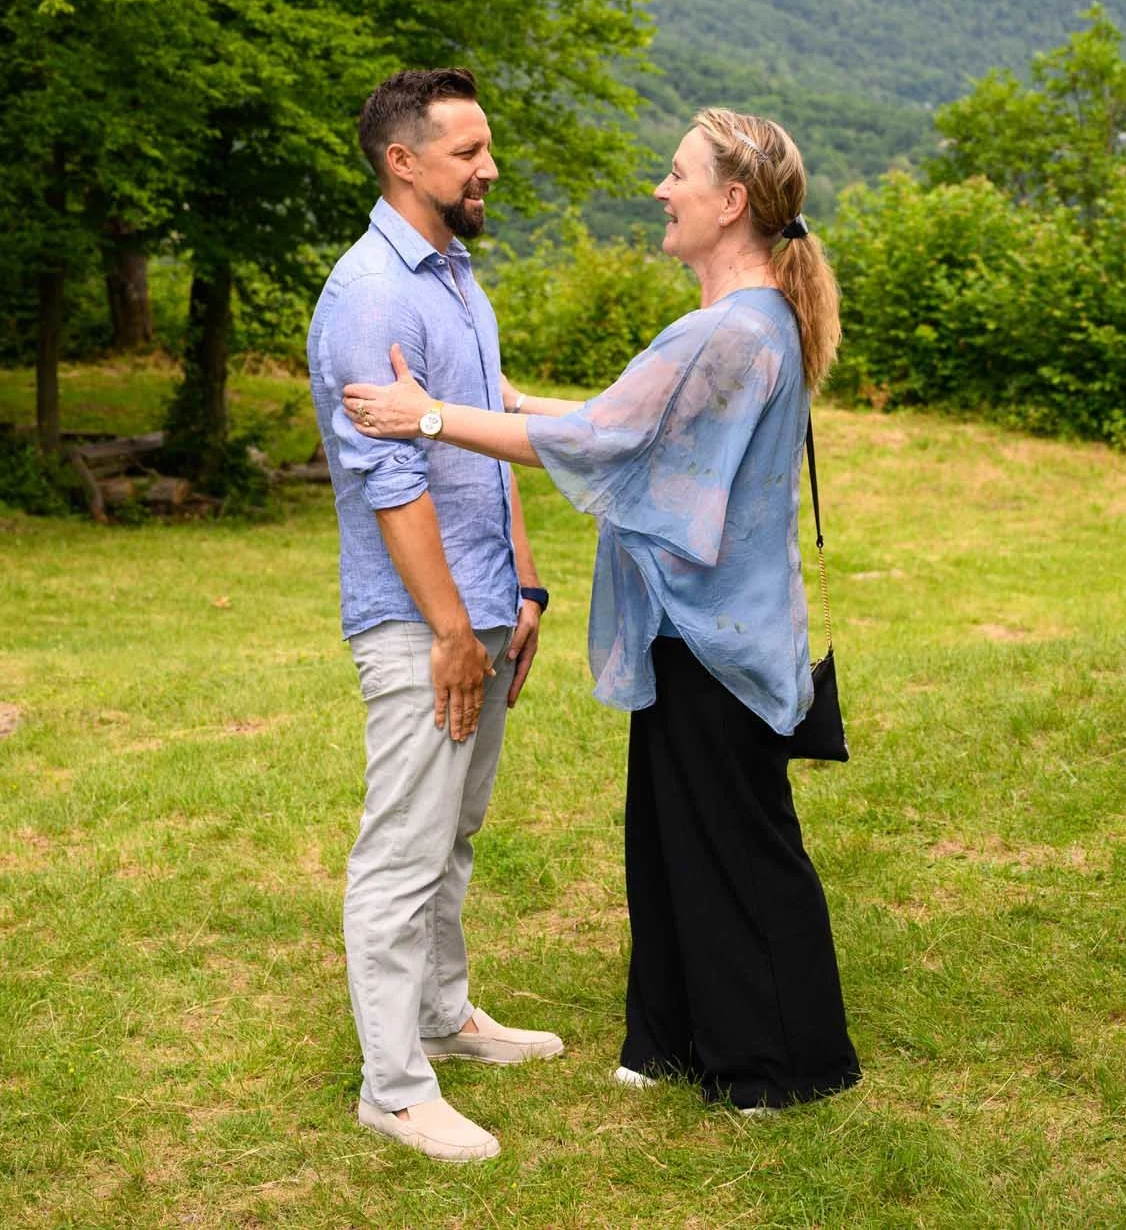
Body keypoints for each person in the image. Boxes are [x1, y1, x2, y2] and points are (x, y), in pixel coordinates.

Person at [342, 107, 861, 1113]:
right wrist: (498, 394)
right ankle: (667, 1038)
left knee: (734, 848)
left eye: (676, 176)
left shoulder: (730, 328)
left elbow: (603, 442)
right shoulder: (740, 324)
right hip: (694, 632)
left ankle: (776, 1064)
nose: (661, 191)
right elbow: (617, 418)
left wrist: (432, 416)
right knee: (669, 840)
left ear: (730, 202)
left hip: (716, 639)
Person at [305, 67, 564, 1165]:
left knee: (453, 833)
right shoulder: (370, 293)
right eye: (467, 151)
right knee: (402, 848)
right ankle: (392, 1087)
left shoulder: (455, 275)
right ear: (400, 161)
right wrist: (455, 628)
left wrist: (524, 583)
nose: (488, 168)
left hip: (483, 603)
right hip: (421, 621)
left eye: (486, 146)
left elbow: (474, 438)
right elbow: (393, 482)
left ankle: (443, 1018)